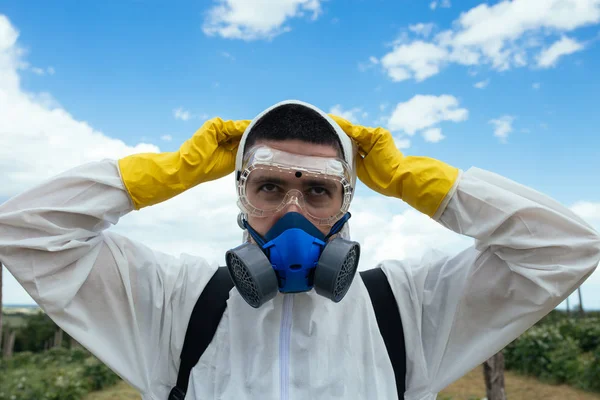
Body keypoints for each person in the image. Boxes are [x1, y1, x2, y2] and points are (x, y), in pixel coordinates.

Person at [1, 99, 599, 400]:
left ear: (348, 202)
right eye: (268, 187)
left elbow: (567, 249)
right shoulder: (176, 302)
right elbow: (23, 232)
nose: (293, 214)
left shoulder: (408, 308)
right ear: (241, 197)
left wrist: (422, 182)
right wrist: (165, 173)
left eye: (317, 190)